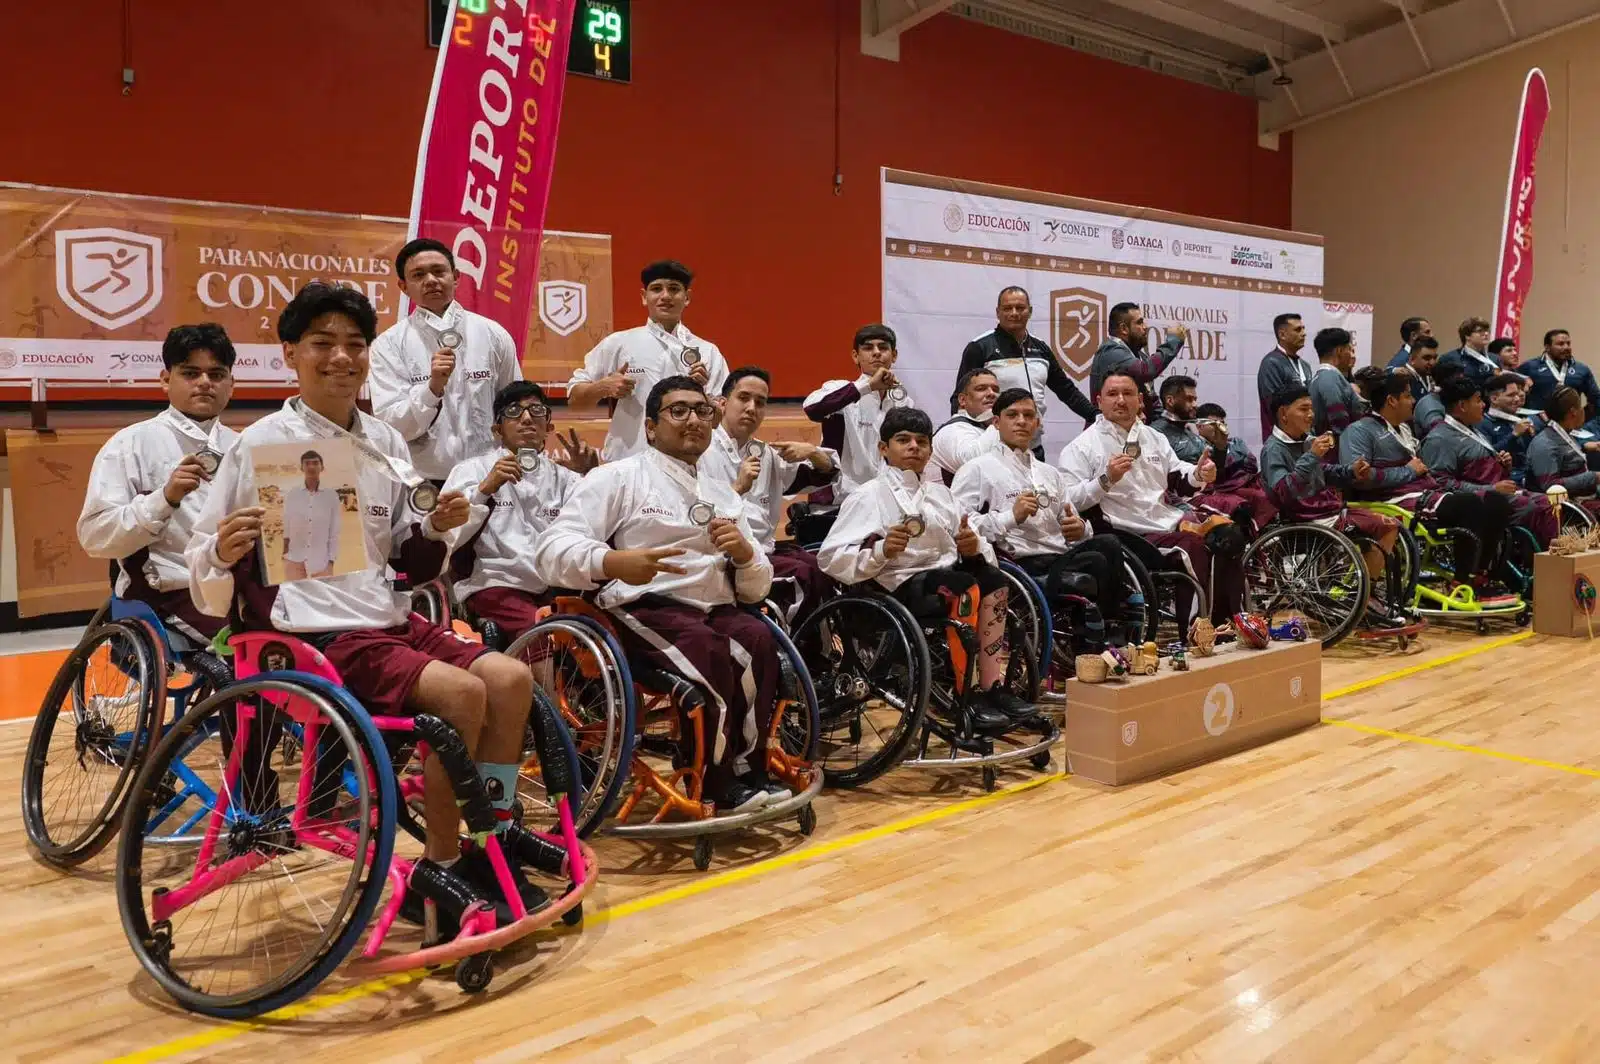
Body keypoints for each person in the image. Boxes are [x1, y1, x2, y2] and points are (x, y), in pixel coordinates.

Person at [187, 282, 545, 930]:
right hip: (314, 633)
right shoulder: (262, 444)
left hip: (387, 617)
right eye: (322, 343)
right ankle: (440, 870)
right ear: (291, 352)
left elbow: (409, 564)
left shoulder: (385, 441)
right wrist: (217, 551)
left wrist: (438, 527)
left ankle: (489, 842)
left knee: (511, 678)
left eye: (355, 344)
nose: (342, 358)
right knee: (463, 696)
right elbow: (208, 578)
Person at [533, 376, 788, 813]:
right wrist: (613, 563)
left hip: (714, 607)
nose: (693, 420)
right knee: (709, 651)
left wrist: (746, 556)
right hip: (641, 607)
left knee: (761, 640)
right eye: (678, 411)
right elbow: (551, 550)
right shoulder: (617, 478)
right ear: (650, 428)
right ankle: (715, 779)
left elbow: (756, 588)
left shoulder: (721, 492)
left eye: (701, 411)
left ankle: (750, 768)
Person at [816, 407, 1031, 729]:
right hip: (895, 586)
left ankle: (991, 686)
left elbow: (973, 536)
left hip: (943, 576)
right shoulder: (868, 496)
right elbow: (829, 558)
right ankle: (965, 694)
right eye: (903, 440)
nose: (914, 447)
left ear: (930, 449)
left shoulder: (941, 495)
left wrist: (973, 546)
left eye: (921, 441)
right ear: (884, 448)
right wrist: (879, 551)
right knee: (962, 586)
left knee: (994, 580)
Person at [78, 323, 239, 644]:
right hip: (168, 593)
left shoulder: (243, 445)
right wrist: (164, 499)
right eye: (191, 373)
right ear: (166, 380)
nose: (205, 382)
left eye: (216, 374)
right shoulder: (131, 444)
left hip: (238, 588)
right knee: (253, 651)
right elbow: (94, 537)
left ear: (231, 384)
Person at [1058, 370, 1243, 625]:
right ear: (1099, 402)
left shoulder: (1154, 437)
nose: (1121, 400)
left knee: (1230, 536)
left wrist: (1199, 473)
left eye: (1128, 393)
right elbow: (1069, 500)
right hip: (1127, 532)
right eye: (1113, 394)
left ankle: (1229, 624)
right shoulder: (1081, 447)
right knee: (1192, 548)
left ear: (1140, 401)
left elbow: (1179, 476)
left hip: (1166, 520)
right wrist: (1106, 479)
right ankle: (1196, 632)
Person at [952, 389, 1131, 649]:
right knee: (1097, 560)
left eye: (1028, 415)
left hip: (1058, 555)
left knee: (1108, 543)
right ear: (996, 422)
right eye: (1012, 415)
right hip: (1020, 562)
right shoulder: (977, 469)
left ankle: (1111, 628)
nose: (1021, 421)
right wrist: (1010, 517)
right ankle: (1090, 644)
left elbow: (1068, 517)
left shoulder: (1049, 473)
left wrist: (1079, 529)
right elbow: (961, 525)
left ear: (1037, 423)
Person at [1342, 368, 1516, 602]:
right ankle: (1460, 580)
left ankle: (1479, 576)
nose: (1414, 401)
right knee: (1470, 505)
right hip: (1389, 501)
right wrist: (1407, 471)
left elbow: (1423, 471)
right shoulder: (1359, 431)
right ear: (1392, 400)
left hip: (1424, 494)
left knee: (1497, 503)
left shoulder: (1404, 429)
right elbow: (1358, 478)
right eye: (1408, 395)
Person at [369, 238, 524, 483]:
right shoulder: (388, 345)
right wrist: (431, 389)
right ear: (403, 286)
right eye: (418, 275)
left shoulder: (493, 333)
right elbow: (393, 426)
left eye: (438, 271)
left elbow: (515, 406)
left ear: (456, 277)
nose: (430, 280)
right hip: (424, 481)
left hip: (491, 475)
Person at [442, 382, 585, 641]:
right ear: (497, 429)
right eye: (514, 411)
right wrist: (484, 490)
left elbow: (592, 532)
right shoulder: (471, 471)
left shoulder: (567, 479)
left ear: (548, 428)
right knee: (542, 633)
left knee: (598, 628)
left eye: (536, 411)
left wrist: (591, 477)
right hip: (496, 584)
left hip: (556, 586)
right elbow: (446, 537)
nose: (527, 418)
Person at [1260, 385, 1408, 625]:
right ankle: (1366, 597)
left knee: (1390, 526)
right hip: (1303, 518)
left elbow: (1323, 473)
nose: (1311, 415)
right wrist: (1312, 456)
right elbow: (1284, 491)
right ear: (1284, 413)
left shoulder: (1305, 442)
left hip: (1325, 510)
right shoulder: (1273, 449)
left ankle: (1367, 593)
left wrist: (1350, 471)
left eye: (1311, 409)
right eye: (1304, 409)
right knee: (1386, 526)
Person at [701, 366, 837, 625]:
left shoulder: (766, 454)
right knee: (804, 575)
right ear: (722, 402)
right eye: (743, 398)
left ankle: (828, 649)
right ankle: (809, 652)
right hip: (725, 558)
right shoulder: (702, 451)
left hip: (765, 549)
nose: (751, 408)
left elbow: (823, 474)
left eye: (760, 403)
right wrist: (738, 488)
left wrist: (811, 452)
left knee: (824, 565)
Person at [567, 260, 728, 462]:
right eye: (656, 289)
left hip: (689, 464)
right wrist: (603, 387)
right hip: (628, 461)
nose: (665, 296)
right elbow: (574, 401)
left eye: (674, 289)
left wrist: (703, 396)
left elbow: (720, 420)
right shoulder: (619, 343)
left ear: (687, 297)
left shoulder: (707, 352)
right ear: (644, 297)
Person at [1419, 377, 1557, 546]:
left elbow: (1480, 471)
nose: (1483, 405)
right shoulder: (1439, 439)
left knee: (1546, 502)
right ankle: (1523, 562)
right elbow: (1440, 483)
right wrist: (1491, 489)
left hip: (1497, 493)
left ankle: (1552, 557)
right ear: (1462, 406)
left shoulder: (1473, 430)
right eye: (1478, 401)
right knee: (1526, 507)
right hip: (1476, 500)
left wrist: (1503, 466)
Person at [957, 286, 1095, 454]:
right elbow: (960, 399)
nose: (1014, 313)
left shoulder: (1041, 348)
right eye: (1007, 308)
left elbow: (1066, 390)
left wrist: (1097, 416)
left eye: (1020, 308)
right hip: (996, 449)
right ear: (997, 312)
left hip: (1034, 447)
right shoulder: (979, 347)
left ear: (1029, 311)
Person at [804, 324, 910, 501]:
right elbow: (812, 409)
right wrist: (867, 386)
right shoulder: (839, 390)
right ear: (856, 356)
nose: (876, 352)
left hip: (886, 496)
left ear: (894, 356)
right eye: (868, 348)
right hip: (841, 497)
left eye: (883, 347)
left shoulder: (903, 401)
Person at [1188, 403, 1277, 534]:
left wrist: (1230, 465)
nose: (1219, 428)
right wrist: (1234, 463)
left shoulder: (1236, 442)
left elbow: (1251, 464)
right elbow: (1216, 476)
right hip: (1220, 490)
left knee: (1274, 485)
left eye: (1222, 423)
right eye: (1214, 424)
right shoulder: (1198, 448)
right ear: (1199, 426)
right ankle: (1261, 536)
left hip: (1245, 482)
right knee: (1258, 497)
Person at [1088, 301, 1187, 417]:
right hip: (1108, 430)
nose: (1145, 327)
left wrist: (1171, 423)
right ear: (1124, 328)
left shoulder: (1138, 356)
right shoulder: (1110, 351)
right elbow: (1146, 371)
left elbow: (1152, 402)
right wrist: (1173, 342)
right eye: (1139, 323)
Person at [1527, 385, 1600, 520]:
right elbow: (1551, 487)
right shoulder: (1544, 444)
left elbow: (1567, 457)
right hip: (1569, 506)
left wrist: (1584, 448)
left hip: (1587, 497)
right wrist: (1593, 477)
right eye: (1581, 406)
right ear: (1573, 412)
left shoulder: (1563, 433)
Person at [930, 367, 1002, 482]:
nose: (991, 394)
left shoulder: (986, 428)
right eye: (981, 389)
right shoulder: (952, 429)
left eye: (995, 390)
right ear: (963, 400)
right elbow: (972, 464)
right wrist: (999, 422)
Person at [281, 450, 342, 581]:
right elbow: (286, 526)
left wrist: (331, 561)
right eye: (307, 463)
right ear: (301, 467)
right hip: (294, 559)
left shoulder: (331, 496)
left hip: (321, 562)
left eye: (315, 463)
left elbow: (334, 530)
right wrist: (284, 553)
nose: (311, 467)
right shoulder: (292, 494)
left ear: (322, 467)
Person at [1256, 313, 1314, 441]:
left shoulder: (1305, 366)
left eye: (1304, 329)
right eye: (1298, 329)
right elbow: (1274, 406)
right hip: (1281, 440)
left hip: (1304, 439)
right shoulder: (1271, 363)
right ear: (1282, 334)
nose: (1304, 333)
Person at [1522, 328, 1600, 418]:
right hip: (1537, 425)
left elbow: (1596, 398)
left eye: (1568, 343)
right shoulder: (1529, 367)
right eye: (1561, 344)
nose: (1566, 347)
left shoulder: (1582, 370)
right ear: (1547, 347)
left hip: (1570, 426)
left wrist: (1588, 424)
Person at [1479, 373, 1538, 483]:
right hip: (1505, 480)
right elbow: (1487, 456)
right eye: (1511, 395)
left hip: (1529, 475)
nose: (1517, 399)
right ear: (1494, 399)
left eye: (1517, 394)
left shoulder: (1518, 419)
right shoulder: (1482, 423)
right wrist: (1513, 435)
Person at [1309, 326, 1366, 437]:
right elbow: (1340, 424)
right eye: (1349, 349)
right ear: (1339, 351)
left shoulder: (1323, 377)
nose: (1351, 355)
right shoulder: (1330, 378)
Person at [1151, 375, 1204, 462]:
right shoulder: (1154, 433)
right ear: (1170, 401)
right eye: (1189, 399)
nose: (1195, 405)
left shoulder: (1189, 433)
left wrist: (1221, 448)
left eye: (1195, 399)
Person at [1438, 316, 1501, 390]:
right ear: (1467, 336)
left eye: (1487, 330)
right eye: (1480, 331)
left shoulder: (1494, 358)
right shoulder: (1450, 358)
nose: (1486, 333)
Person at [1411, 360, 1464, 440]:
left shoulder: (1452, 398)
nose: (1464, 385)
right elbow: (1440, 436)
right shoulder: (1429, 405)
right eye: (1460, 381)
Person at [1394, 334, 1440, 404]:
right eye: (1427, 358)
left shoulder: (1429, 375)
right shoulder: (1402, 379)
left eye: (1435, 358)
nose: (1432, 362)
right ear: (1412, 359)